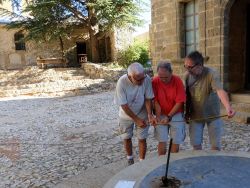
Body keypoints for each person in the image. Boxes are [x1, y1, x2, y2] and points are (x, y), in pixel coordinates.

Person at [184, 51, 235, 150]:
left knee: (215, 146)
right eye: (185, 66)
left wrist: (228, 107)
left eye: (190, 67)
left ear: (199, 65)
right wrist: (186, 113)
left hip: (213, 115)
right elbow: (186, 96)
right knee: (196, 144)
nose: (187, 69)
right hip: (195, 116)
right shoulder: (187, 76)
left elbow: (220, 91)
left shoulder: (212, 74)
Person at [114, 62, 156, 165]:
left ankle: (142, 162)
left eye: (143, 78)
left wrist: (150, 114)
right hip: (125, 114)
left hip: (142, 111)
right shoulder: (122, 82)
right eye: (138, 79)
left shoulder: (145, 79)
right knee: (126, 137)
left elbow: (148, 98)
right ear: (130, 76)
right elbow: (123, 105)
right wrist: (136, 119)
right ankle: (130, 159)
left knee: (142, 138)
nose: (142, 81)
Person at [152, 61, 186, 155]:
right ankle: (161, 162)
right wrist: (158, 116)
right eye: (160, 77)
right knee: (161, 139)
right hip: (161, 113)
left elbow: (179, 102)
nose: (163, 79)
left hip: (176, 113)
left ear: (171, 72)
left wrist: (169, 116)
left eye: (166, 77)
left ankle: (172, 161)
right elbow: (156, 101)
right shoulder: (155, 81)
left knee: (176, 139)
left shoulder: (177, 81)